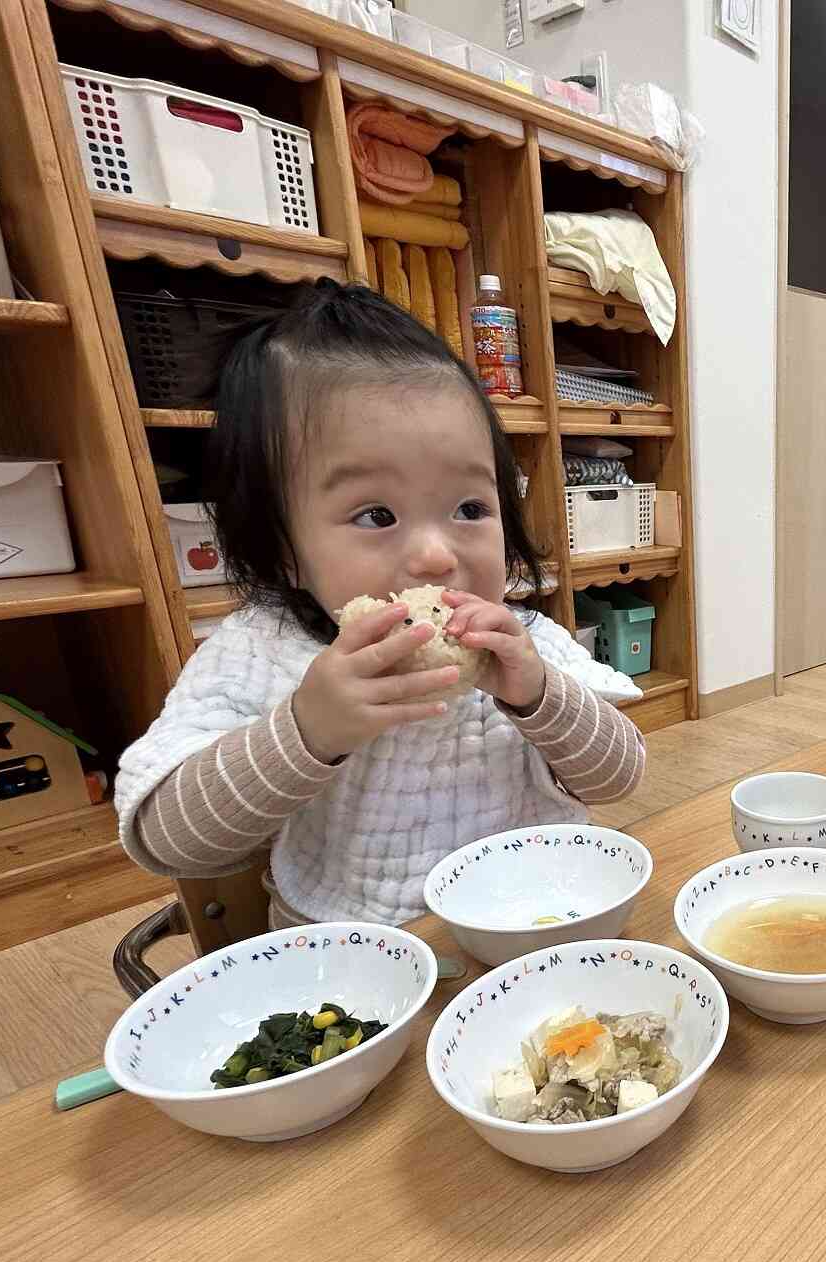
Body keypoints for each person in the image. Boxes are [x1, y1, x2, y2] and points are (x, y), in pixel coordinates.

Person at [116, 280, 645, 927]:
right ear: (284, 548)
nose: (435, 555)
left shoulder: (527, 641)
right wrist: (308, 731)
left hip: (531, 926)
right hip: (349, 959)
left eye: (470, 508)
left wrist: (541, 698)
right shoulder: (262, 651)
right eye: (377, 513)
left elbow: (618, 779)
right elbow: (171, 841)